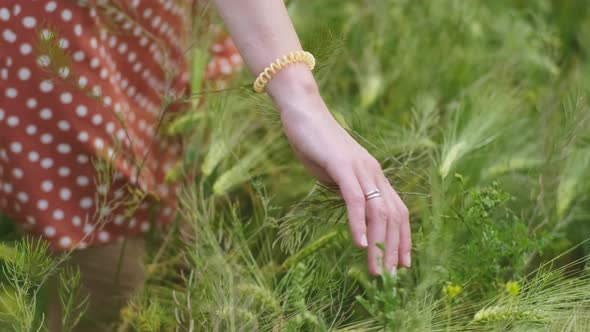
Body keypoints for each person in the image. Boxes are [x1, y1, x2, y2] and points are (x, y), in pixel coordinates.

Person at [0, 0, 411, 330]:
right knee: (106, 284)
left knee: (180, 203)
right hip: (49, 31)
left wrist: (301, 97)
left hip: (156, 22)